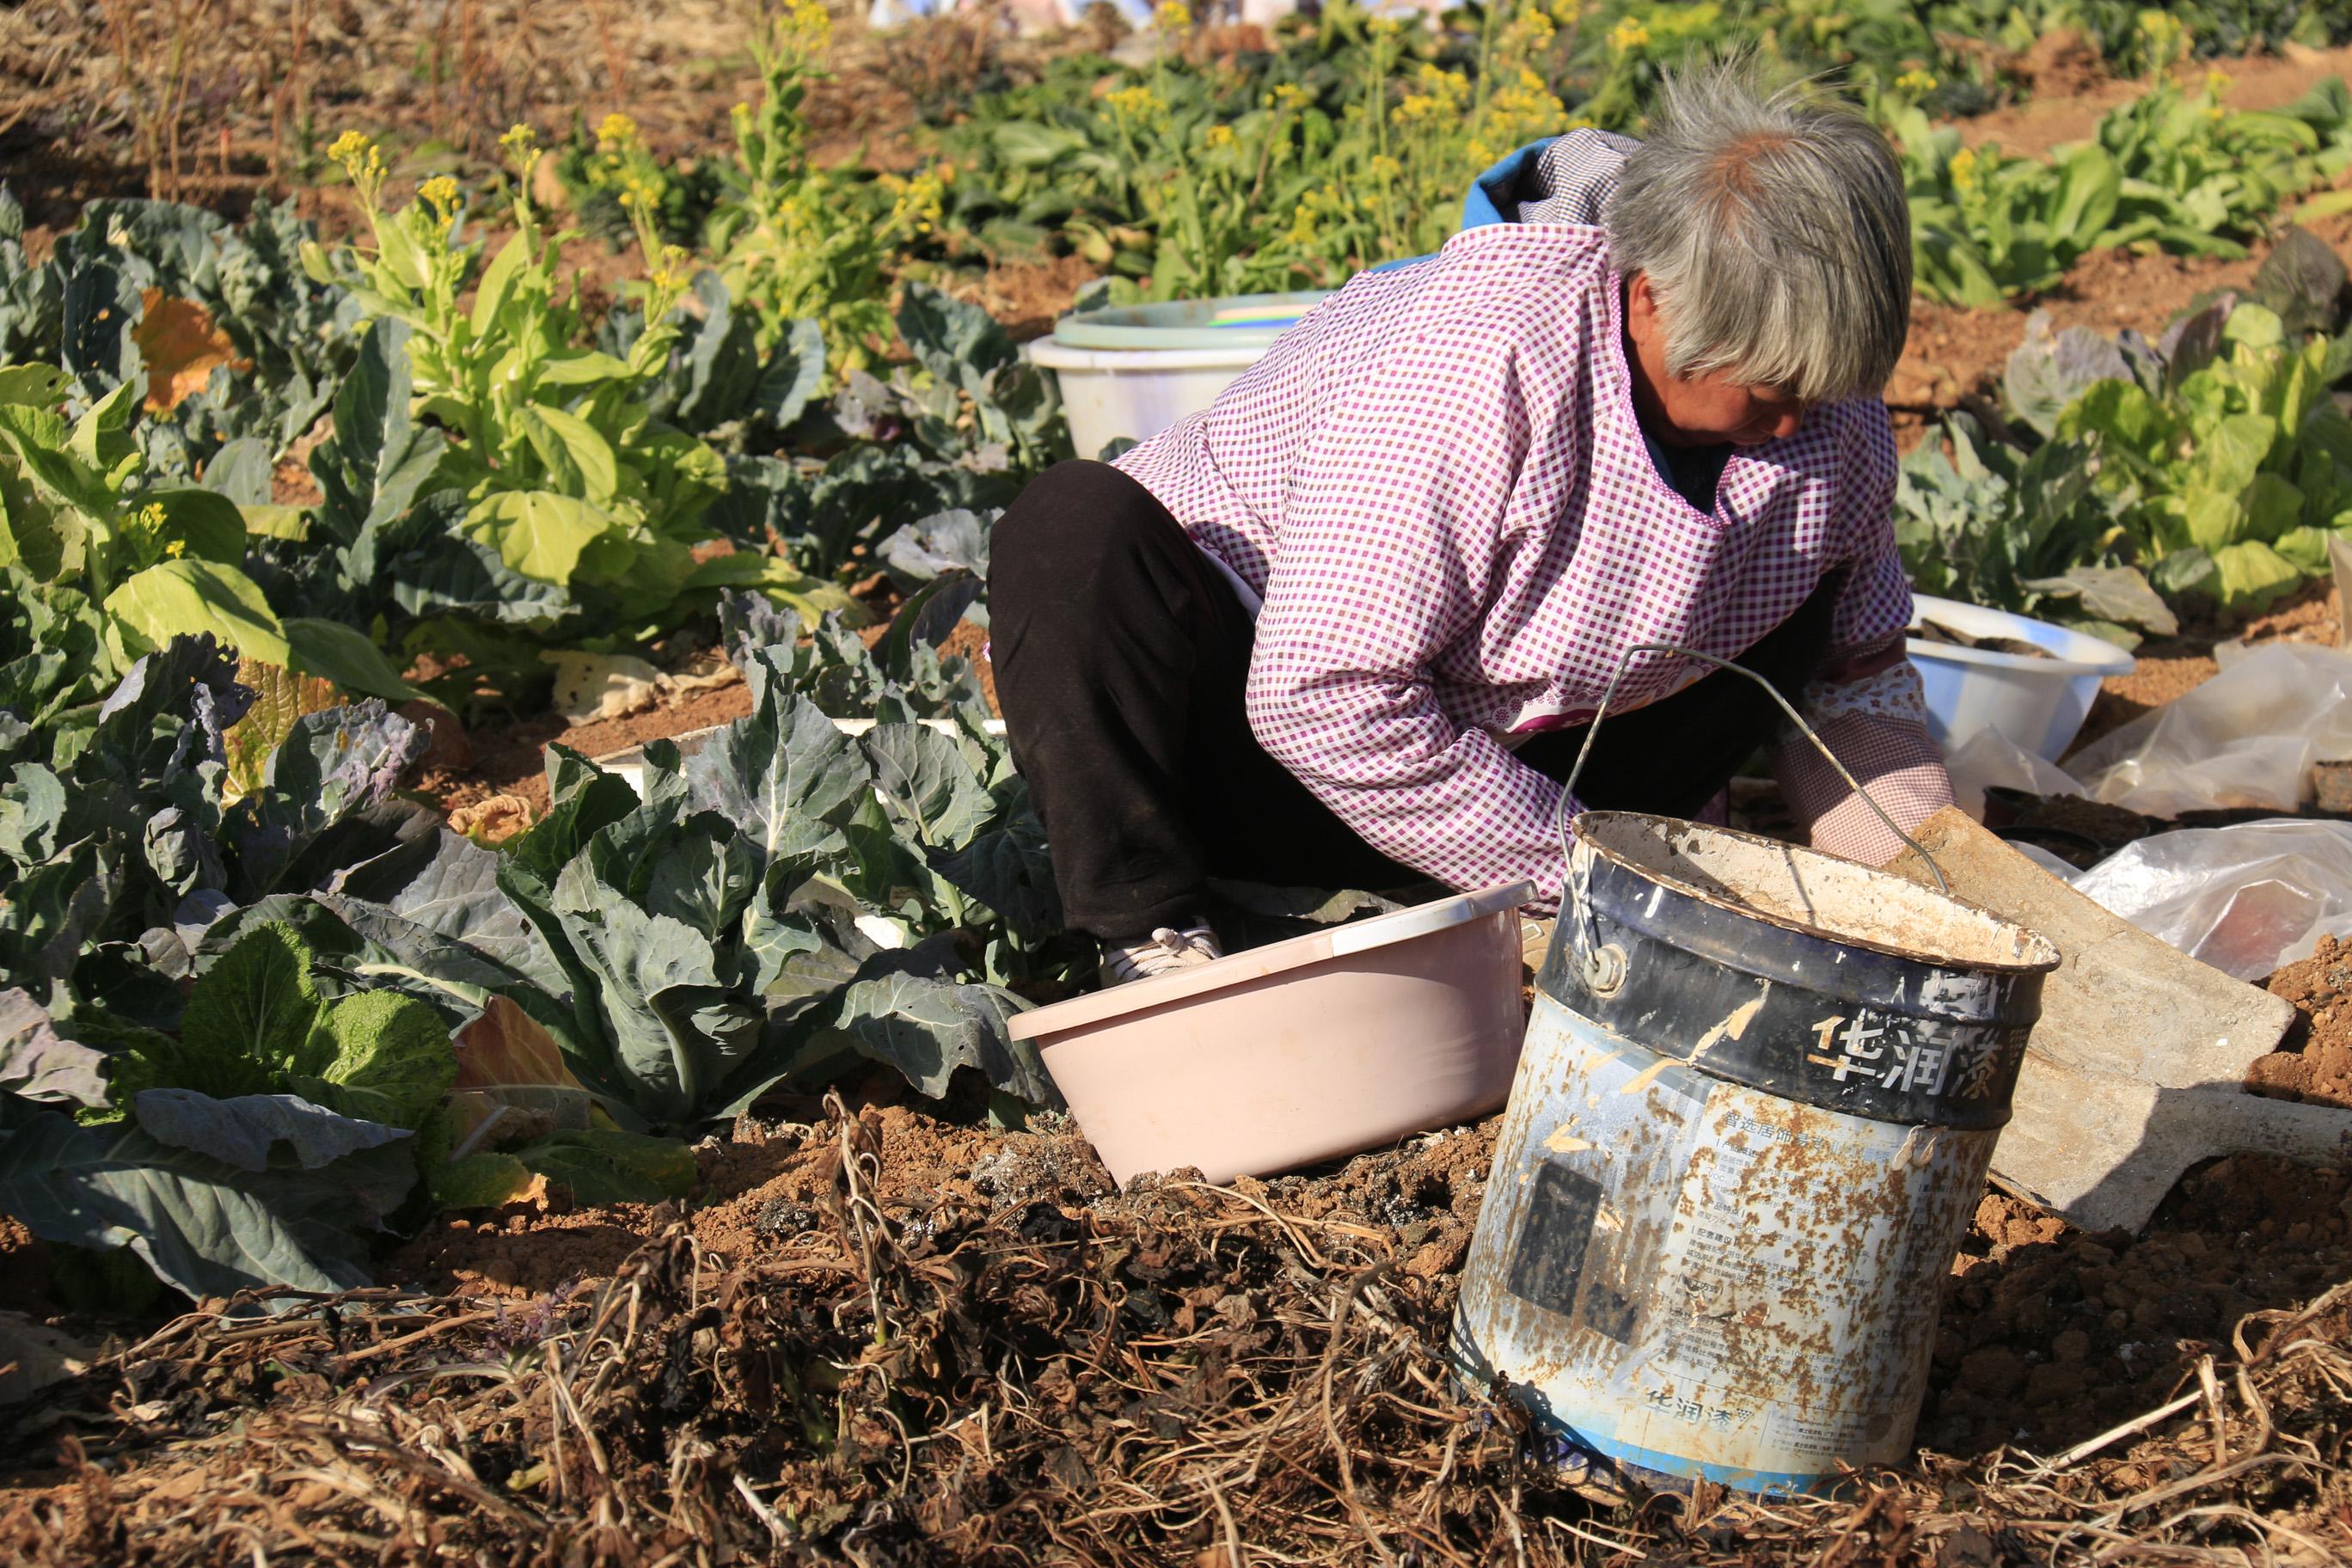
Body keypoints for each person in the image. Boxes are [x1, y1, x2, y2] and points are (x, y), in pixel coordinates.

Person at [989, 57, 1954, 984]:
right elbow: (1322, 698)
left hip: (1542, 761)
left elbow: (1850, 679)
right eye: (1771, 387)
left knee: (1816, 589)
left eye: (1822, 390)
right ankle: (1155, 934)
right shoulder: (1475, 363)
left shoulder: (1826, 411)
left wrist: (1929, 891)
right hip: (1268, 760)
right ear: (1654, 302)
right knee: (1073, 528)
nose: (1795, 422)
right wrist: (1587, 873)